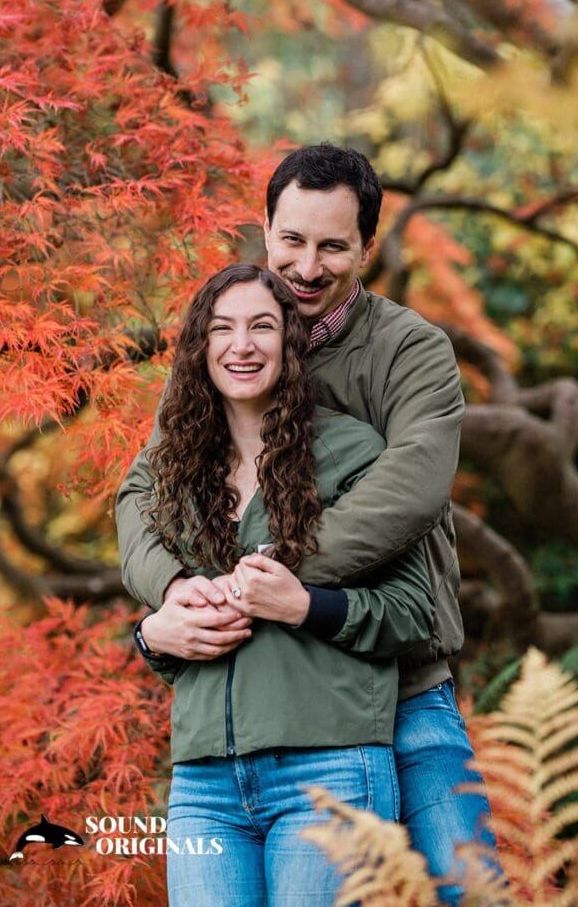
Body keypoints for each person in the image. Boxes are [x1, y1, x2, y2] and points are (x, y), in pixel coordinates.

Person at [118, 144, 497, 906]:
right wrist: (180, 593)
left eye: (332, 246)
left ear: (366, 248)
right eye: (292, 240)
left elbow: (411, 489)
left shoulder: (408, 350)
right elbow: (140, 493)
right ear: (266, 231)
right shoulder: (226, 344)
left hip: (401, 678)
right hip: (258, 696)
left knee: (468, 888)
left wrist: (272, 580)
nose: (308, 265)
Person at [130, 262, 437, 907]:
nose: (241, 345)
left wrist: (306, 605)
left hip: (329, 769)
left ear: (291, 344)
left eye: (262, 327)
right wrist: (154, 635)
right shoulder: (179, 471)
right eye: (222, 328)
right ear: (201, 347)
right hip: (203, 783)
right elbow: (182, 630)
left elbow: (414, 614)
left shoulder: (353, 452)